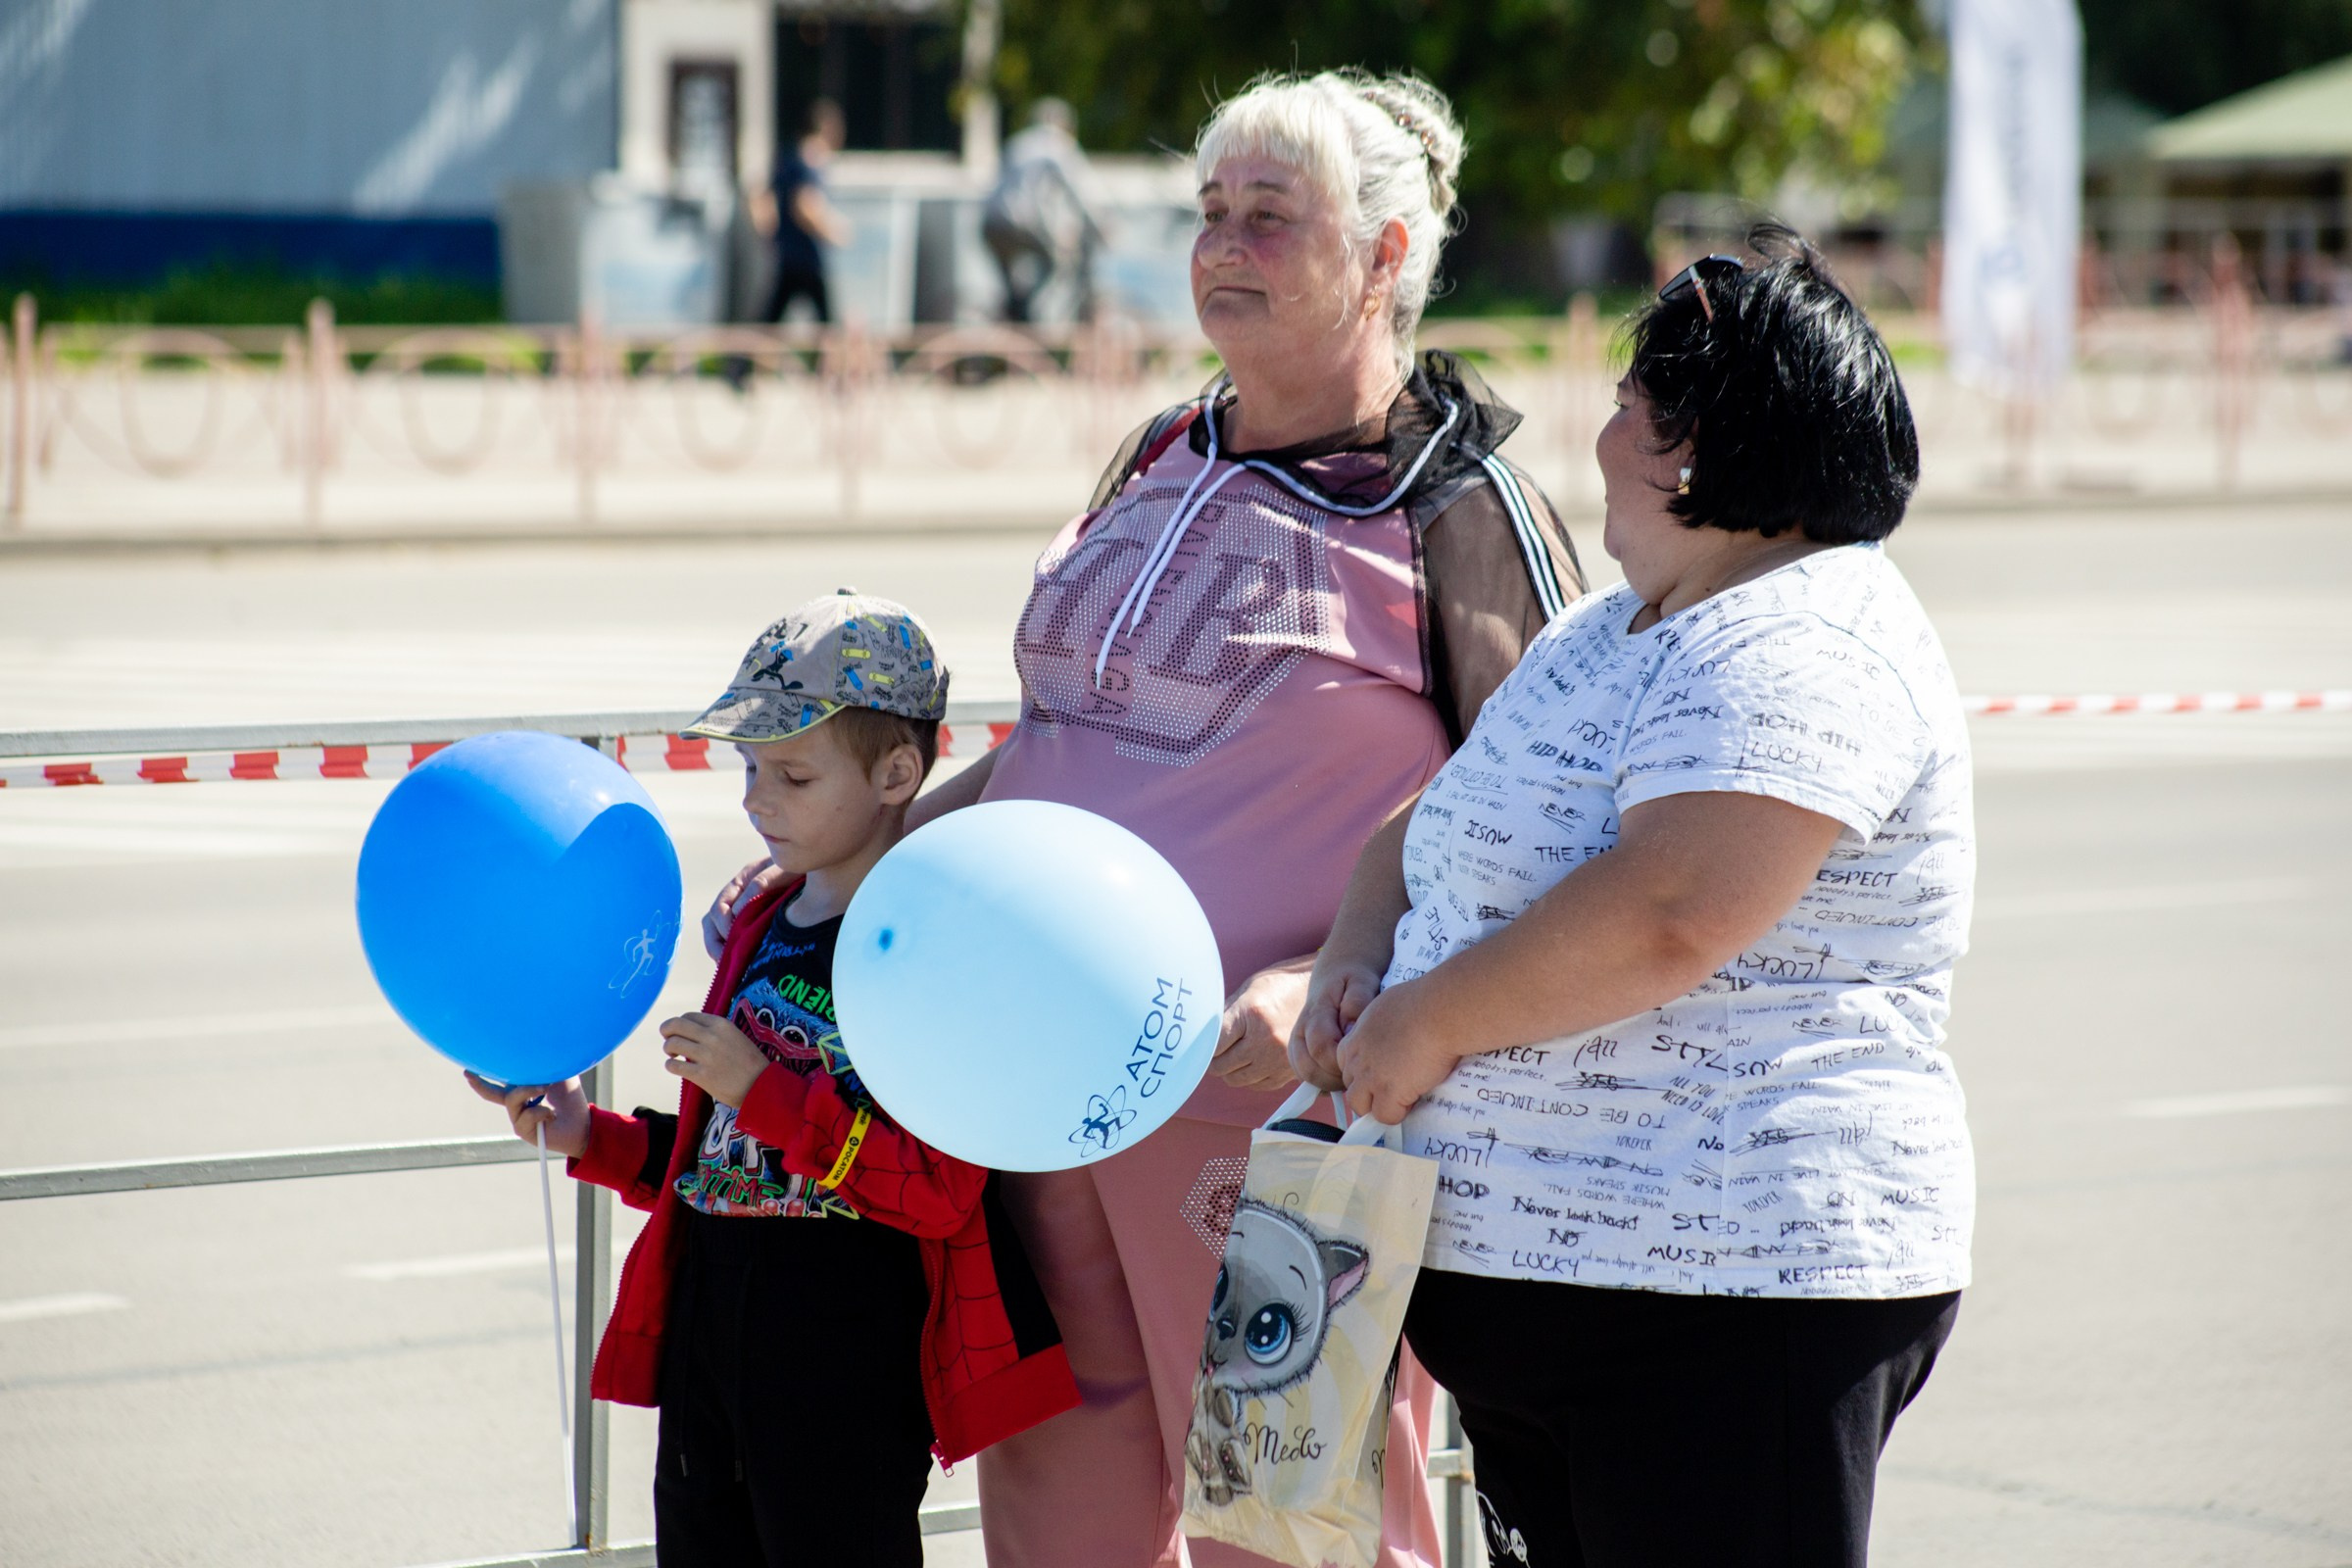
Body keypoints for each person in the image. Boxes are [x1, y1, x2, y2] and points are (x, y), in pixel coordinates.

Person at [710, 71, 1586, 1568]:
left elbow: (1541, 816)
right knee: (1058, 1521)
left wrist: (1334, 979)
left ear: (1385, 254)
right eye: (1210, 214)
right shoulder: (1156, 455)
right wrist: (866, 864)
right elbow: (1064, 745)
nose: (1224, 246)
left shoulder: (1457, 502)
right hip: (1025, 1100)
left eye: (1272, 217)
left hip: (1289, 1126)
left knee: (1292, 1531)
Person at [1293, 224, 1974, 1567]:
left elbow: (1677, 907)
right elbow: (1432, 828)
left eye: (1623, 404)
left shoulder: (1811, 628)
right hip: (1564, 1306)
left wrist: (1427, 1023)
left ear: (1694, 448)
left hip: (1723, 1298)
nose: (1597, 435)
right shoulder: (1605, 631)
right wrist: (1355, 957)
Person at [472, 591, 1078, 1568]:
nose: (759, 800)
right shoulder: (759, 925)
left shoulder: (929, 946)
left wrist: (764, 1091)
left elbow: (937, 1187)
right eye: (750, 769)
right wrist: (595, 1138)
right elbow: (722, 1163)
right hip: (712, 1350)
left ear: (898, 772)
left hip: (843, 1362)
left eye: (793, 774)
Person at [984, 98, 1103, 323]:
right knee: (1057, 262)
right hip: (1020, 220)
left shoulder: (1017, 142)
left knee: (1009, 279)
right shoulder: (1057, 144)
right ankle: (1032, 314)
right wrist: (1099, 224)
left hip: (990, 221)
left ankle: (1012, 311)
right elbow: (1077, 190)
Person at [752, 99, 851, 325]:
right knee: (827, 328)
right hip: (808, 256)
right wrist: (833, 231)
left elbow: (761, 198)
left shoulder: (786, 158)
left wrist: (770, 234)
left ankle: (742, 361)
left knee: (769, 324)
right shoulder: (811, 158)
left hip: (786, 254)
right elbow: (805, 206)